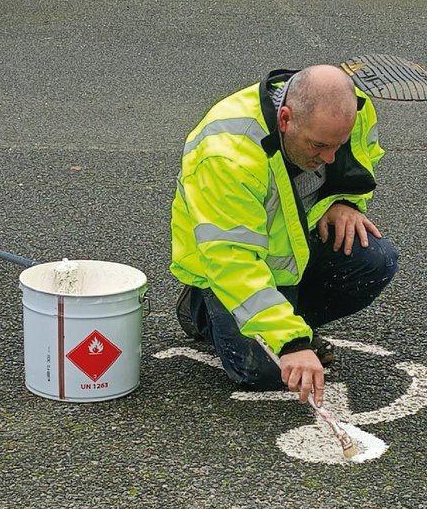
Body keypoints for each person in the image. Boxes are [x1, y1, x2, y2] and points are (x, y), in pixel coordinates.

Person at [170, 64, 399, 407]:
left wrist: (343, 201)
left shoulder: (351, 108)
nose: (329, 157)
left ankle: (285, 319)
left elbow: (361, 161)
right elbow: (232, 257)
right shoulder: (227, 154)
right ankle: (199, 309)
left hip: (294, 249)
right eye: (319, 145)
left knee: (374, 260)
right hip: (233, 267)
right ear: (285, 119)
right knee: (262, 373)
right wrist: (291, 344)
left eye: (337, 144)